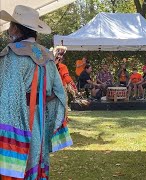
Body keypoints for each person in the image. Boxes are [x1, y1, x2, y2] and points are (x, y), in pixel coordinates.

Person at [0, 5, 72, 179]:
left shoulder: (12, 55)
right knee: (36, 156)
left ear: (16, 28)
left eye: (11, 25)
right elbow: (59, 93)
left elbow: (7, 95)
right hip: (39, 121)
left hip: (15, 122)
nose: (9, 30)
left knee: (16, 163)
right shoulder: (47, 55)